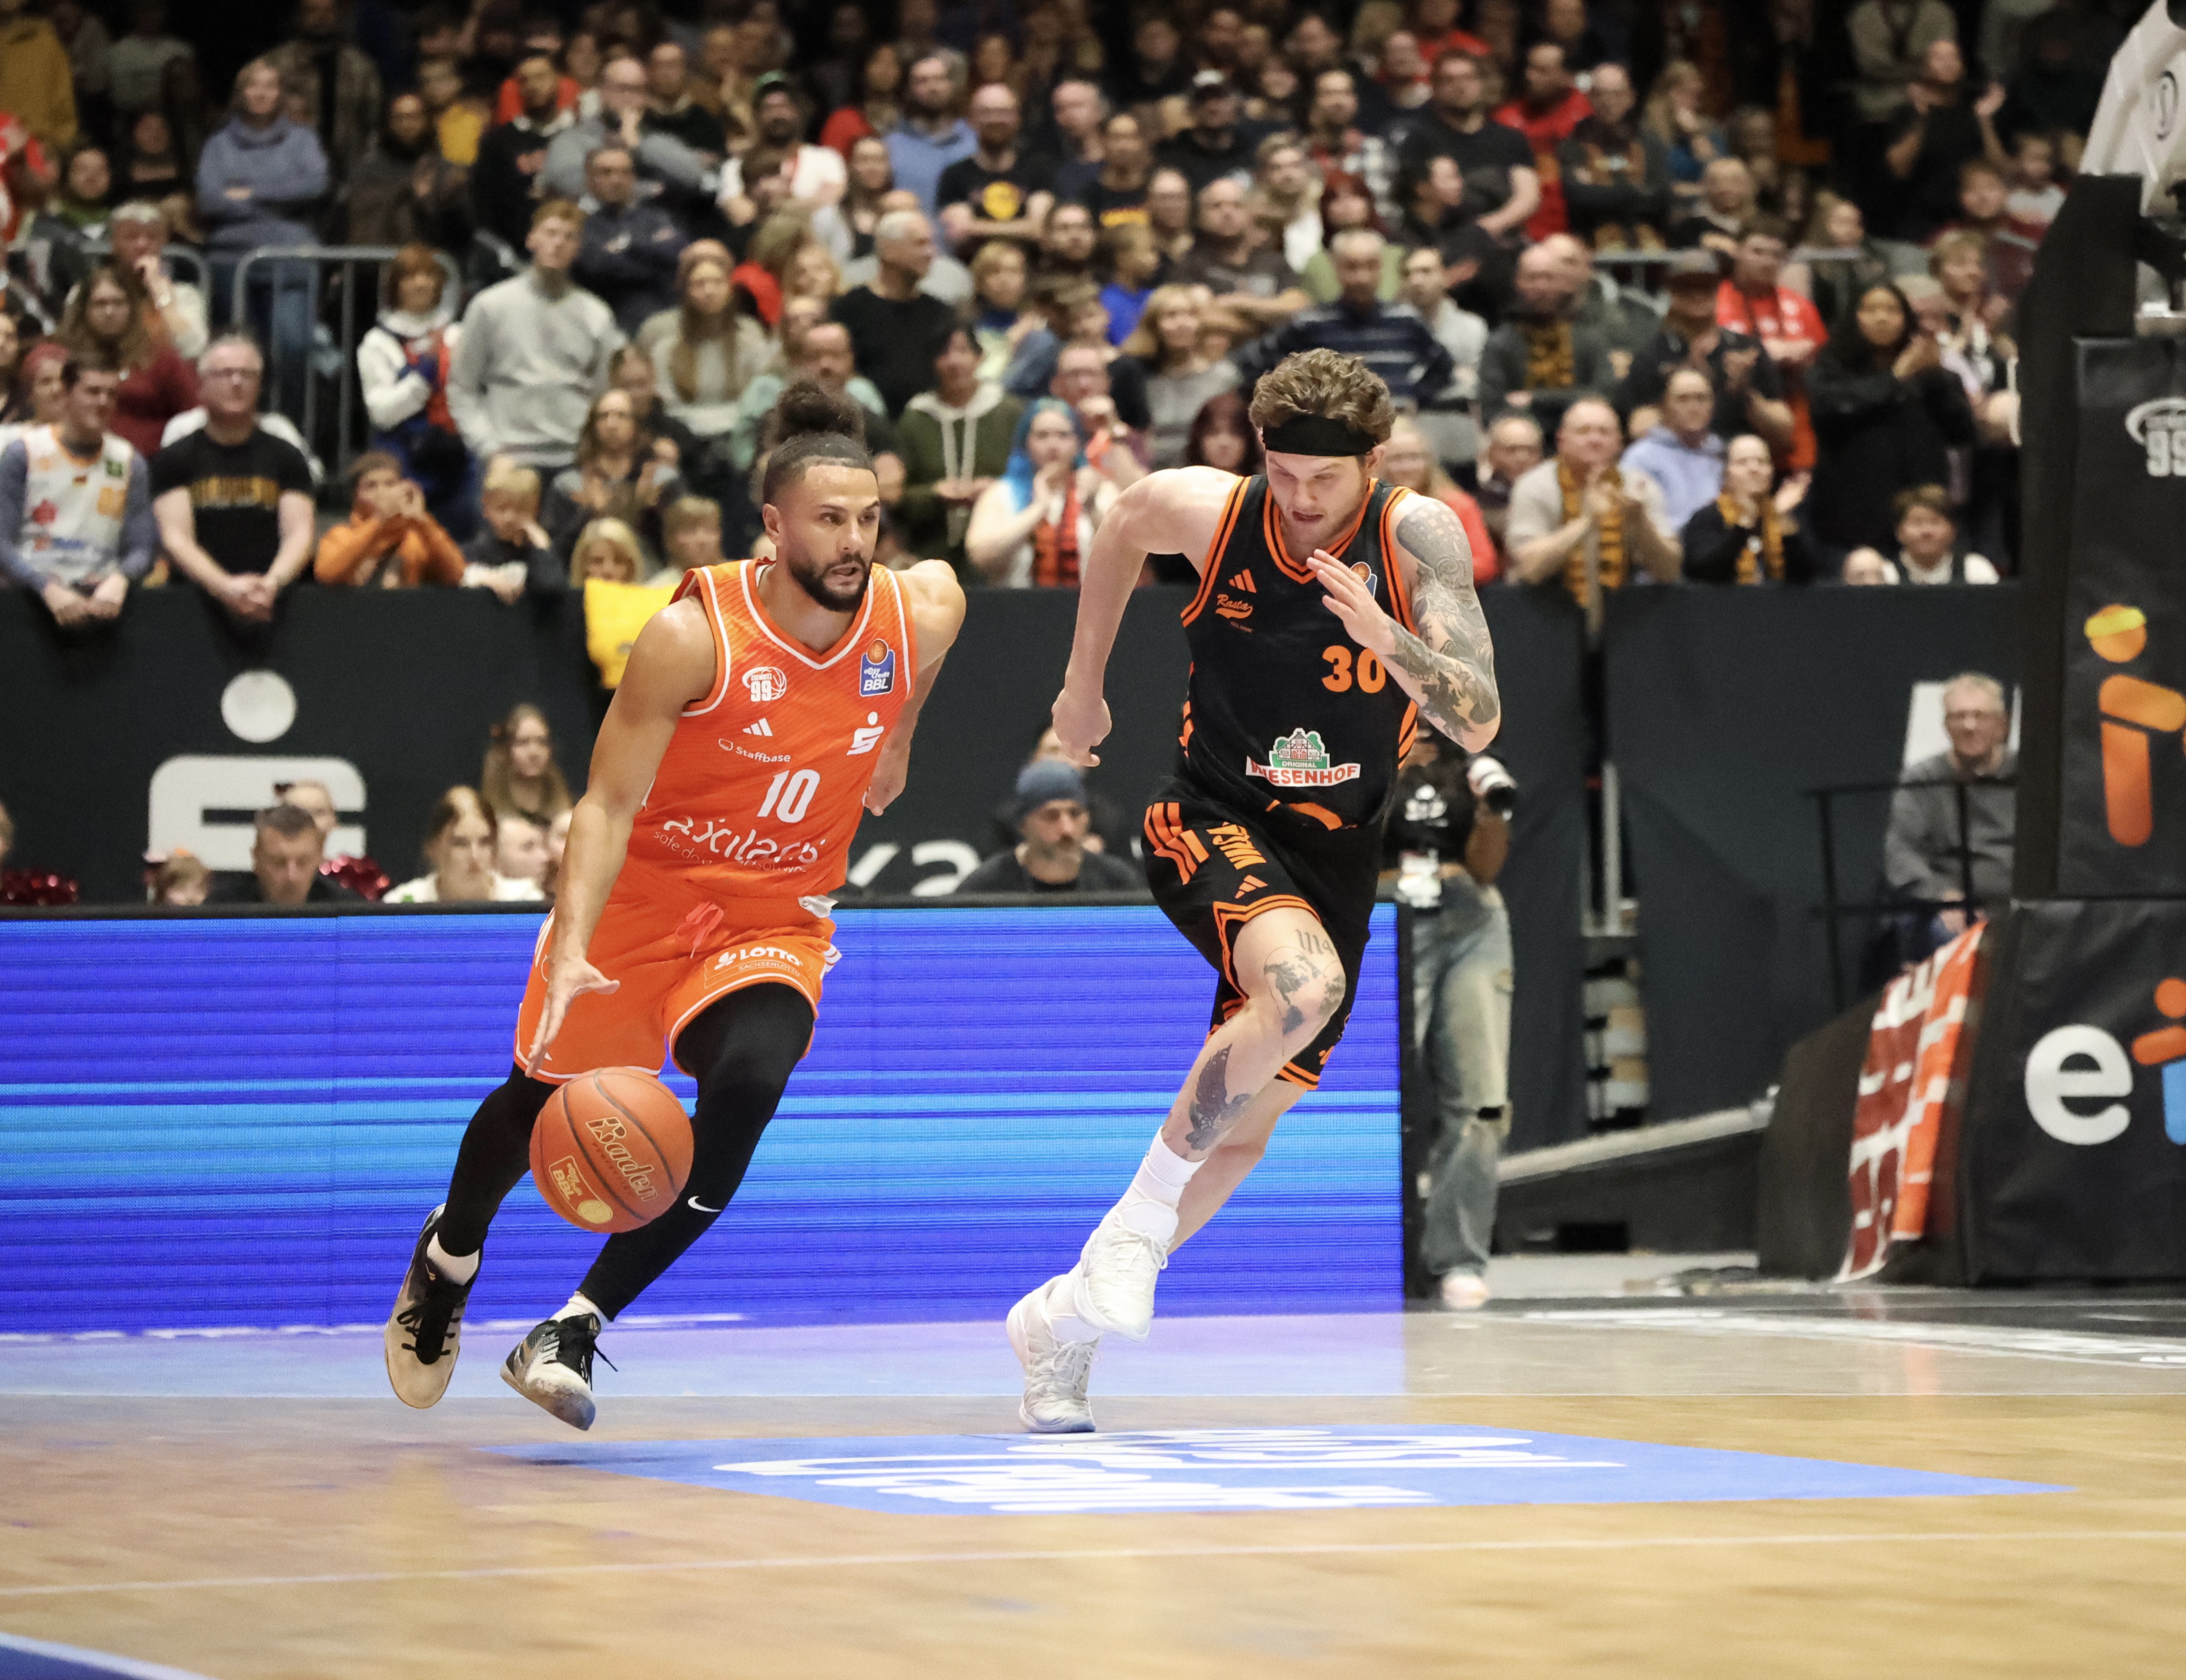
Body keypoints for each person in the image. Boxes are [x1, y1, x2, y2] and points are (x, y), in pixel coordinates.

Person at [380, 382, 967, 1432]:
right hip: (643, 903)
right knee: (534, 1106)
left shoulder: (914, 610)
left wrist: (902, 737)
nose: (855, 540)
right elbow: (605, 804)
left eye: (869, 518)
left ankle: (574, 1325)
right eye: (830, 519)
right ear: (774, 524)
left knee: (748, 1085)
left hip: (774, 915)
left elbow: (935, 626)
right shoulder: (692, 636)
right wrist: (570, 941)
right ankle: (450, 1251)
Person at [1005, 348, 1500, 1431]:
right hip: (1210, 813)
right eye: (1285, 475)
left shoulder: (1415, 535)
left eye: (1325, 480)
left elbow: (1477, 718)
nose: (1302, 499)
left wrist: (1388, 637)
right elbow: (1121, 522)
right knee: (1304, 989)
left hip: (1337, 852)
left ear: (1373, 465)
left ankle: (1062, 1321)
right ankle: (1133, 1231)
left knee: (1242, 1133)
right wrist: (1081, 685)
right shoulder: (1213, 511)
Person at [1383, 730, 1511, 1309]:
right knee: (1376, 1092)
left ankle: (1457, 1257)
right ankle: (1371, 1248)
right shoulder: (1361, 751)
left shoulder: (1471, 763)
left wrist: (1490, 813)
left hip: (1469, 923)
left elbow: (1485, 868)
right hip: (1384, 917)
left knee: (1481, 1100)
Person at [149, 331, 315, 624]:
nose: (236, 382)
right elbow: (177, 539)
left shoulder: (287, 456)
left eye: (247, 374)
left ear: (260, 384)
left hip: (274, 605)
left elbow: (300, 533)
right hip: (192, 605)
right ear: (202, 384)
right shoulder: (175, 458)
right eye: (224, 374)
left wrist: (272, 584)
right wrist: (225, 588)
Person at [448, 200, 623, 473]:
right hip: (508, 457)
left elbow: (601, 394)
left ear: (578, 248)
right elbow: (462, 386)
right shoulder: (490, 306)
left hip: (574, 458)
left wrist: (592, 451)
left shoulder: (597, 314)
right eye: (551, 233)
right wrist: (489, 450)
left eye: (569, 237)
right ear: (532, 240)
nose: (558, 243)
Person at [195, 59, 327, 416]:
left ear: (281, 93)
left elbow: (314, 185)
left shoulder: (303, 139)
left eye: (270, 86)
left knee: (293, 347)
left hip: (291, 260)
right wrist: (280, 200)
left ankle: (291, 427)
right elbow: (209, 199)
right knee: (239, 355)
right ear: (241, 93)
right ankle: (240, 425)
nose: (262, 93)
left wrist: (248, 193)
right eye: (254, 85)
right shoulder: (219, 145)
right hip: (230, 262)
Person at [1806, 284, 1975, 559]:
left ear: (1907, 319)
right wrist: (1896, 377)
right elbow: (1831, 410)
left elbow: (1963, 432)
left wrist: (1936, 378)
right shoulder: (1831, 369)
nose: (1882, 318)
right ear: (1854, 316)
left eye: (1892, 310)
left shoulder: (1928, 370)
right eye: (1871, 310)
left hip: (1920, 514)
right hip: (1853, 513)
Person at [0, 354, 154, 627]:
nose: (103, 402)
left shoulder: (130, 462)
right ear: (66, 394)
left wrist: (122, 579)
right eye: (93, 392)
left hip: (101, 603)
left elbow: (141, 548)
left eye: (111, 394)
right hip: (30, 600)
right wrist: (44, 587)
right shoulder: (24, 454)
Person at [1504, 395, 1680, 631]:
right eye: (1584, 431)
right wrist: (1588, 522)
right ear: (1562, 440)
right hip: (1543, 616)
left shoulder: (1640, 487)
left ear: (1619, 442)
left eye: (1605, 432)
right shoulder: (1534, 486)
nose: (1595, 440)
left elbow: (1669, 571)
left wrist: (1640, 522)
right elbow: (1529, 570)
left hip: (1627, 618)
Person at [1246, 229, 1454, 413]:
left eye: (1371, 266)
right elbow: (1257, 363)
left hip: (1395, 426)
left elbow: (1443, 365)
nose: (1362, 278)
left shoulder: (1406, 320)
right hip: (1334, 431)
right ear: (1336, 269)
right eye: (1352, 267)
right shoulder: (1311, 324)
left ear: (1381, 268)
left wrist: (1416, 397)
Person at [1883, 670, 2015, 953]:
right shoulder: (1921, 780)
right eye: (1959, 716)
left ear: (2001, 724)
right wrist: (1944, 896)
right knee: (1949, 935)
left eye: (1980, 716)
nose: (1969, 726)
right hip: (1948, 904)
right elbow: (1900, 852)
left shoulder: (2030, 776)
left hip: (2018, 904)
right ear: (1946, 725)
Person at [357, 244, 473, 538]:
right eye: (410, 277)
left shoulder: (458, 335)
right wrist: (425, 375)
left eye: (428, 276)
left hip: (454, 461)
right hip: (402, 461)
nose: (421, 284)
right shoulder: (377, 343)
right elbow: (382, 413)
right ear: (396, 286)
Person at [899, 322, 1019, 572]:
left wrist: (996, 491)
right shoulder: (916, 418)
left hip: (999, 550)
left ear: (979, 357)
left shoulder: (1009, 412)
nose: (954, 362)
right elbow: (900, 496)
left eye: (963, 351)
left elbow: (1027, 477)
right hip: (929, 552)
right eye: (944, 353)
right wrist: (935, 494)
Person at [965, 398, 1117, 587]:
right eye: (1042, 436)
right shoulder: (1001, 493)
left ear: (1078, 443)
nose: (1053, 445)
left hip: (1088, 601)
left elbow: (1124, 556)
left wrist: (1092, 506)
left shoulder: (1102, 490)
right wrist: (1039, 507)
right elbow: (980, 556)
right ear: (1026, 442)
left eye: (1063, 435)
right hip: (1016, 601)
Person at [1394, 49, 1538, 248]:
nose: (1460, 87)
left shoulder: (1510, 139)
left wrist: (1484, 229)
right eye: (1449, 80)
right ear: (1435, 87)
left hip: (1501, 240)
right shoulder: (1419, 140)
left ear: (1481, 84)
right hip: (1438, 242)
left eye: (1468, 78)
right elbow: (1415, 204)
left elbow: (1528, 197)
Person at [56, 259, 198, 461]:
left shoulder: (160, 359)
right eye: (100, 304)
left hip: (150, 464)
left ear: (132, 307)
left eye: (118, 303)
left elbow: (194, 416)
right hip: (71, 461)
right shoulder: (64, 357)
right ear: (84, 309)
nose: (109, 312)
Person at [636, 242, 773, 446]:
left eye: (718, 282)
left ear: (730, 288)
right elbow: (668, 407)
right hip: (686, 441)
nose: (709, 291)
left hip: (741, 437)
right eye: (699, 284)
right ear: (686, 290)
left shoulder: (751, 341)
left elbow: (760, 398)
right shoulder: (665, 349)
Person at [1476, 243, 1617, 439]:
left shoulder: (1588, 338)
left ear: (1565, 283)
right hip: (1524, 441)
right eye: (1532, 278)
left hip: (1581, 437)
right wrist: (1570, 399)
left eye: (1549, 278)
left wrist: (1535, 399)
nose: (1541, 287)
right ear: (1518, 283)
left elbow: (1605, 395)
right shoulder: (1501, 342)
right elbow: (1491, 410)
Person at [831, 209, 958, 418]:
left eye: (932, 244)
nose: (931, 253)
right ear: (888, 250)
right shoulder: (848, 309)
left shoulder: (942, 314)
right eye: (920, 244)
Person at [540, 53, 706, 209]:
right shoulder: (574, 139)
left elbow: (693, 177)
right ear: (603, 92)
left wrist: (637, 145)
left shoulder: (656, 140)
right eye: (623, 88)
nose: (629, 97)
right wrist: (649, 190)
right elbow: (570, 183)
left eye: (638, 90)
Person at [1883, 37, 2006, 244]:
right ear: (1924, 68)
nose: (1948, 63)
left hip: (1971, 219)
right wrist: (1922, 118)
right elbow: (1898, 169)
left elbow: (2000, 168)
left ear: (1962, 68)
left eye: (1953, 58)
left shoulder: (1974, 113)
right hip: (1925, 221)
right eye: (1939, 58)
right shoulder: (1908, 113)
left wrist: (1985, 120)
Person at [960, 760, 1146, 893]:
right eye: (1051, 816)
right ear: (1023, 825)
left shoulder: (1119, 883)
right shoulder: (987, 888)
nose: (1067, 829)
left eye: (1075, 814)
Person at [570, 144, 688, 336]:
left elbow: (678, 254)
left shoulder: (658, 217)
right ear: (591, 179)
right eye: (606, 173)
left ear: (633, 178)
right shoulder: (581, 226)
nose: (616, 180)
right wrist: (652, 252)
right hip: (611, 325)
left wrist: (627, 247)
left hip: (667, 317)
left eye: (624, 173)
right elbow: (596, 267)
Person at [1117, 286, 1240, 471]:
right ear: (1154, 325)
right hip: (1152, 473)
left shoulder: (1224, 376)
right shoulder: (1140, 377)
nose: (1182, 323)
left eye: (1191, 315)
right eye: (1171, 315)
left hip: (1206, 474)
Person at [1170, 177, 1309, 334]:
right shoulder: (1189, 265)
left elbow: (1298, 304)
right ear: (1201, 216)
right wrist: (1266, 317)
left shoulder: (1274, 261)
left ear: (1250, 213)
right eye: (1216, 206)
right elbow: (1197, 317)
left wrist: (1237, 303)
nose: (1227, 213)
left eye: (1237, 205)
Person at [472, 50, 578, 251]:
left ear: (558, 80)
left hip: (578, 249)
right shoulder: (498, 142)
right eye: (525, 80)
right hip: (519, 252)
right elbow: (485, 207)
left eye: (541, 77)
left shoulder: (582, 134)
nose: (533, 86)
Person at [1556, 62, 1668, 251]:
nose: (1608, 102)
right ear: (1589, 97)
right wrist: (1637, 191)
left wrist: (1602, 192)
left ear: (1631, 97)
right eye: (1600, 95)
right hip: (1592, 241)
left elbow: (1662, 197)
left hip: (1648, 238)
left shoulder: (1651, 143)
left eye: (1617, 95)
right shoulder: (1573, 145)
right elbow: (1579, 198)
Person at [1679, 433, 1817, 586]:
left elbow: (1807, 575)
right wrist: (1744, 525)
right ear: (1726, 473)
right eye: (1742, 463)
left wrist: (1781, 518)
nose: (1754, 469)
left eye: (1762, 462)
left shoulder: (1787, 518)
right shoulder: (1708, 517)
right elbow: (1703, 570)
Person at [313, 450, 466, 588]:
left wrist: (423, 522)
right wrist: (379, 521)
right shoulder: (341, 535)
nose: (383, 492)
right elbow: (327, 574)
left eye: (390, 484)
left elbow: (457, 575)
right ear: (355, 496)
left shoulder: (415, 539)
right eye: (371, 486)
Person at [343, 91, 471, 250]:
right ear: (389, 123)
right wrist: (407, 191)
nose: (407, 125)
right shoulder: (368, 170)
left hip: (432, 257)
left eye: (414, 117)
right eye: (399, 118)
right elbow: (360, 222)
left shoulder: (446, 171)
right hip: (383, 257)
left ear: (427, 121)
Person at [935, 82, 1053, 254]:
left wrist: (975, 227)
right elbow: (959, 233)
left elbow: (1039, 229)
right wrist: (1023, 227)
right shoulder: (955, 175)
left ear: (1017, 119)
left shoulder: (1039, 170)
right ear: (971, 120)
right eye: (986, 112)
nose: (995, 120)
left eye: (1004, 112)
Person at [1379, 416, 1495, 583]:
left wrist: (1429, 571)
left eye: (1415, 457)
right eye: (1397, 459)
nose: (1408, 467)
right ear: (1379, 463)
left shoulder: (1458, 505)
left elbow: (1485, 564)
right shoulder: (1368, 507)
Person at [386, 787, 544, 903]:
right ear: (433, 848)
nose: (475, 856)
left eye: (485, 842)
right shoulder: (402, 905)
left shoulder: (525, 901)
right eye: (460, 844)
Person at [1619, 367, 1726, 532]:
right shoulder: (1641, 457)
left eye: (1701, 398)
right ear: (1665, 406)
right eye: (1683, 399)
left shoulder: (1722, 456)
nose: (1694, 408)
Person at [104, 200, 205, 360]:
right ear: (114, 243)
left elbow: (194, 349)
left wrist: (163, 298)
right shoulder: (90, 292)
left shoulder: (184, 294)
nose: (142, 244)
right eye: (131, 237)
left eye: (153, 237)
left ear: (163, 243)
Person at [1846, 484, 1998, 585]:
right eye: (1917, 523)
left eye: (1935, 522)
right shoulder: (1886, 575)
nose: (1926, 531)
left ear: (1953, 530)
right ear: (1899, 532)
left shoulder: (1977, 570)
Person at [208, 804, 359, 905]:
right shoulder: (221, 913)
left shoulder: (346, 913)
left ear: (320, 858)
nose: (291, 877)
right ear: (256, 858)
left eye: (303, 862)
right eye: (279, 863)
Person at [887, 52, 976, 219]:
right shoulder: (891, 146)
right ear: (909, 91)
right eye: (923, 81)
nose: (933, 88)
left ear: (951, 86)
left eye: (940, 79)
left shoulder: (974, 141)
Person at [462, 460, 561, 601]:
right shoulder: (470, 554)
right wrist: (486, 580)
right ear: (486, 508)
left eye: (521, 509)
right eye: (501, 508)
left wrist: (541, 545)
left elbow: (553, 588)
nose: (510, 517)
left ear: (536, 508)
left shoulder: (540, 554)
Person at [480, 702, 573, 825]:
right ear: (506, 749)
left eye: (542, 742)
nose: (534, 752)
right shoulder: (491, 809)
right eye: (523, 743)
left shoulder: (560, 797)